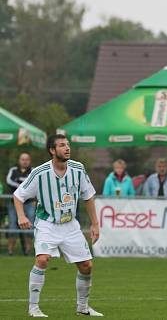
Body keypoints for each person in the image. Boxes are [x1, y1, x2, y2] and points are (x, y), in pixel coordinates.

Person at [13, 134, 102, 317]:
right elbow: (18, 195)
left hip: (70, 225)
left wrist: (95, 224)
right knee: (42, 259)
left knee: (86, 265)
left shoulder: (78, 169)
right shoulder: (40, 172)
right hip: (47, 224)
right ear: (52, 151)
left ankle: (83, 307)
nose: (67, 148)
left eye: (68, 144)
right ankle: (33, 307)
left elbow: (88, 196)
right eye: (62, 145)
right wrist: (21, 216)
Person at [6, 152, 35, 255]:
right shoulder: (13, 170)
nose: (25, 161)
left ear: (29, 161)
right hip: (13, 203)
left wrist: (21, 184)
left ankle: (28, 250)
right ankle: (10, 251)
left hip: (29, 203)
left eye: (27, 159)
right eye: (23, 159)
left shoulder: (33, 171)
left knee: (29, 225)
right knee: (12, 225)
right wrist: (22, 185)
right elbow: (9, 181)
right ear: (19, 160)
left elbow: (34, 183)